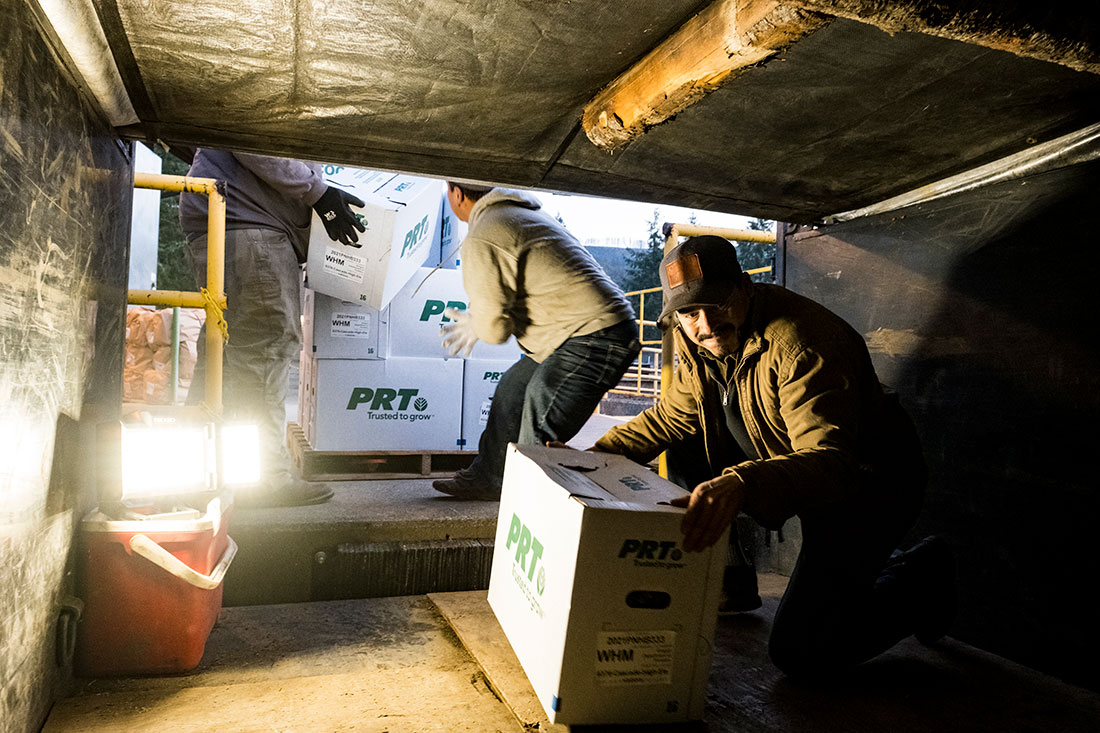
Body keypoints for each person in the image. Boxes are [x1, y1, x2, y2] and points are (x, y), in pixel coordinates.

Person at [590, 234, 955, 677]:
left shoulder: (803, 341)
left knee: (802, 650)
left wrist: (742, 482)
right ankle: (732, 577)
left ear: (745, 287)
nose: (705, 325)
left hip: (868, 484)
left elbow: (831, 460)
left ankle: (924, 576)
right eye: (689, 313)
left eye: (716, 304)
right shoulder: (696, 339)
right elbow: (673, 416)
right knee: (685, 441)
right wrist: (592, 458)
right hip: (802, 476)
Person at [432, 182, 641, 500]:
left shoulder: (484, 232)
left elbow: (495, 331)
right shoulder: (517, 213)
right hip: (576, 333)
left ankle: (529, 508)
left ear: (455, 193)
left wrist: (479, 325)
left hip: (594, 335)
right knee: (512, 391)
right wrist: (482, 321)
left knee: (538, 426)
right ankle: (490, 478)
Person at [180, 149, 364, 508]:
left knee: (222, 354)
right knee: (266, 347)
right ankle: (265, 479)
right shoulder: (272, 101)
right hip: (248, 223)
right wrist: (318, 192)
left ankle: (194, 471)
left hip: (228, 218)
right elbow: (253, 142)